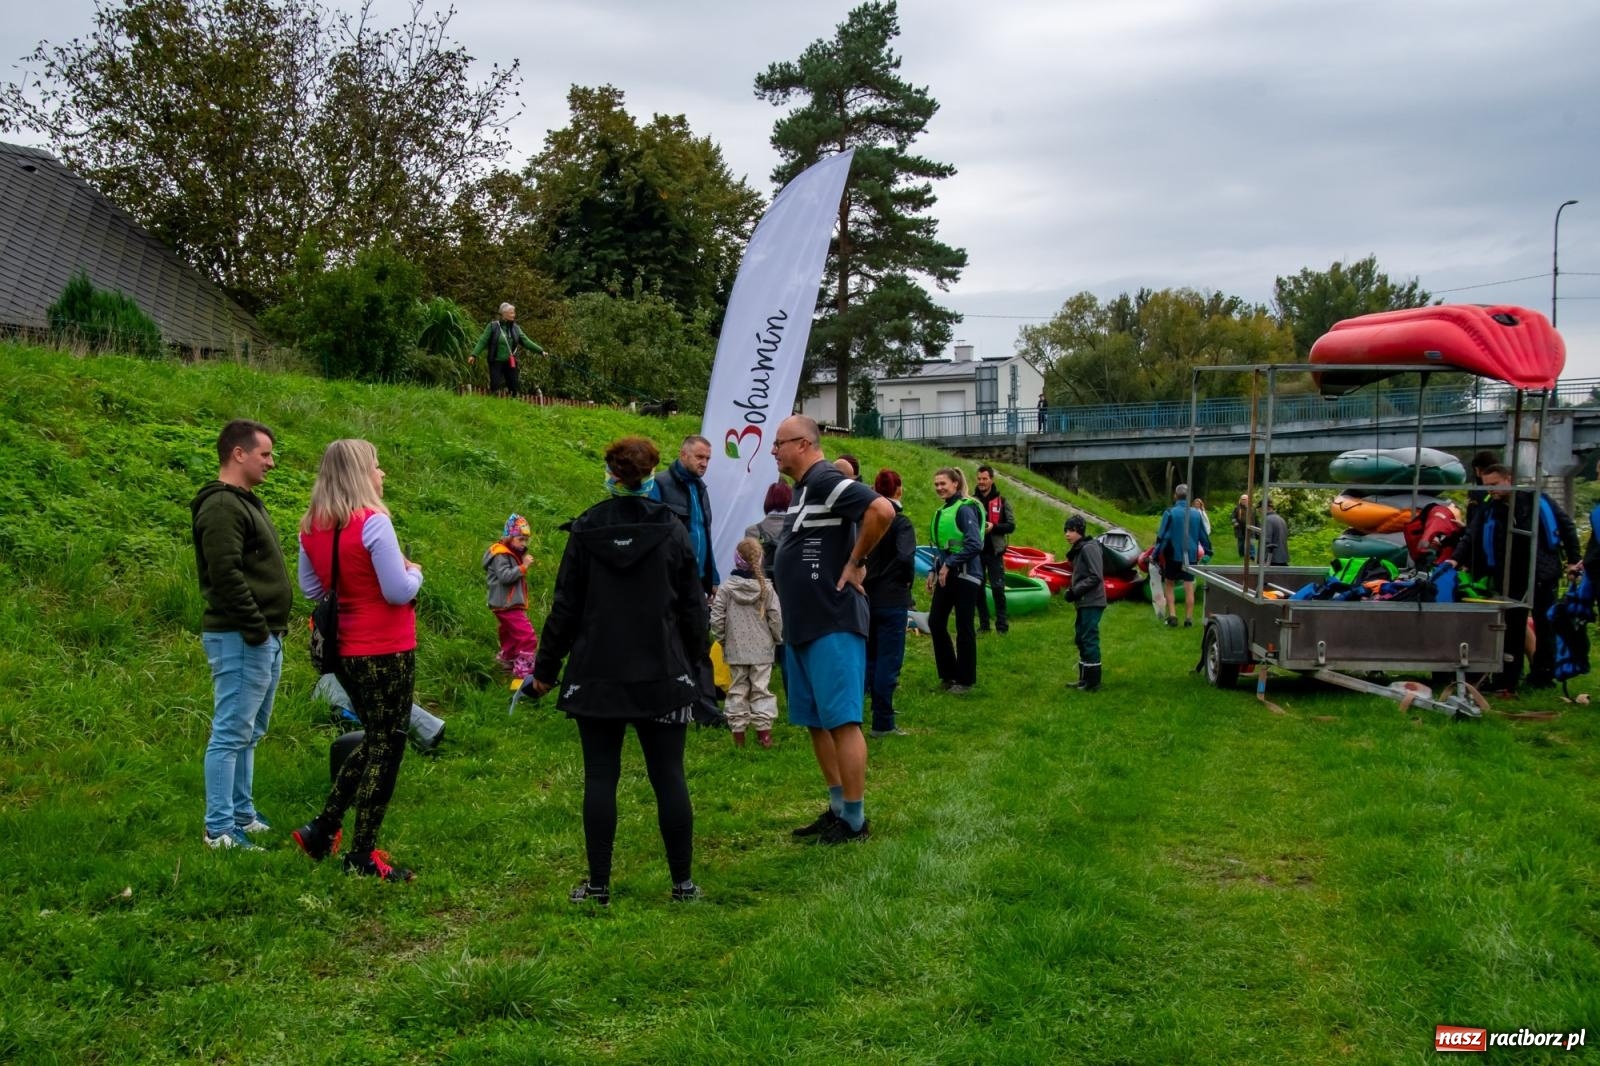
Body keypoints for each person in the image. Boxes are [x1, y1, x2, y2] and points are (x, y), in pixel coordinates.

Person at [531, 436, 709, 904]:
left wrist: (545, 669)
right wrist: (696, 665)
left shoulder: (587, 529)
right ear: (652, 475)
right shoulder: (673, 530)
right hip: (664, 676)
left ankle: (599, 887)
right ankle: (683, 885)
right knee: (669, 775)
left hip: (597, 675)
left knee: (600, 776)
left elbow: (565, 609)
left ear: (610, 474)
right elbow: (693, 607)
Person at [293, 439, 425, 882]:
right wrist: (416, 572)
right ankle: (362, 854)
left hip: (346, 650)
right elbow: (397, 590)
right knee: (388, 746)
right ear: (358, 473)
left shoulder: (311, 526)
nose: (382, 473)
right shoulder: (374, 523)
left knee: (375, 738)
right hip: (387, 647)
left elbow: (312, 590)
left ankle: (321, 830)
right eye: (376, 466)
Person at [770, 416, 893, 845]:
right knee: (816, 722)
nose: (773, 451)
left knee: (841, 720)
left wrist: (856, 561)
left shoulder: (824, 477)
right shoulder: (805, 488)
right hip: (804, 623)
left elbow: (881, 509)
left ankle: (855, 822)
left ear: (803, 444)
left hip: (832, 618)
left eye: (779, 443)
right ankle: (838, 808)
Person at [190, 419, 293, 851]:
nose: (271, 462)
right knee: (231, 731)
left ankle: (243, 815)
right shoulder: (220, 507)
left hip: (262, 636)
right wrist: (255, 629)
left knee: (249, 731)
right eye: (264, 454)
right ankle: (218, 829)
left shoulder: (245, 502)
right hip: (241, 636)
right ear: (238, 453)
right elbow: (225, 574)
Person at [1452, 464, 1581, 694]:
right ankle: (1508, 677)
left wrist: (1573, 560)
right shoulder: (1490, 508)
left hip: (1541, 571)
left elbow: (1567, 527)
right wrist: (1454, 560)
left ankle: (1543, 675)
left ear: (1508, 479)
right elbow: (1472, 534)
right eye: (1486, 486)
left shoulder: (1535, 501)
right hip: (1509, 575)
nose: (1490, 490)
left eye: (1494, 485)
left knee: (1545, 624)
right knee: (1511, 628)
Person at [653, 435, 722, 726]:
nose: (704, 463)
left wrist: (713, 576)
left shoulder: (701, 488)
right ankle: (669, 703)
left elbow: (705, 534)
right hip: (671, 579)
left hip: (699, 578)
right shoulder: (660, 484)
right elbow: (655, 534)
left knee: (699, 643)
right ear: (683, 455)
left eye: (707, 458)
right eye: (699, 457)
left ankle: (706, 709)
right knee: (668, 643)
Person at [711, 537, 784, 749]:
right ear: (759, 560)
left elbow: (716, 618)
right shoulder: (766, 589)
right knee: (761, 689)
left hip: (736, 650)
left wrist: (723, 639)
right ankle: (765, 737)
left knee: (737, 690)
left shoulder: (726, 589)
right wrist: (776, 638)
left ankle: (739, 738)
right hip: (762, 650)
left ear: (736, 560)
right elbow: (776, 617)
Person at [863, 468, 917, 737]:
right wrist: (906, 581)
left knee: (870, 657)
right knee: (888, 659)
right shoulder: (900, 522)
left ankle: (868, 709)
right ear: (899, 490)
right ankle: (883, 721)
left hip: (867, 595)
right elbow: (906, 558)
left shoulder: (867, 519)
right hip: (892, 597)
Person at [927, 467, 984, 692]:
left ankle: (965, 680)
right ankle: (949, 675)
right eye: (936, 484)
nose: (939, 488)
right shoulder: (943, 510)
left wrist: (949, 564)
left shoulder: (965, 509)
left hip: (966, 575)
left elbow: (974, 544)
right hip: (946, 574)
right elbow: (943, 548)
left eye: (943, 484)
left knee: (964, 626)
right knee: (936, 622)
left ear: (956, 484)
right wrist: (934, 569)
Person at [483, 513, 538, 679]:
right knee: (527, 636)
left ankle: (506, 661)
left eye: (525, 540)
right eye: (520, 539)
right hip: (507, 604)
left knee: (510, 634)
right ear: (509, 537)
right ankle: (523, 672)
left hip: (506, 602)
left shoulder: (509, 553)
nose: (523, 544)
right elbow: (505, 577)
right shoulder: (501, 554)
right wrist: (524, 566)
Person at [1153, 483, 1212, 628]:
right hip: (1191, 556)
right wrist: (1208, 553)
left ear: (1175, 496)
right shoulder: (1196, 514)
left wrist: (1155, 554)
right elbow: (1203, 536)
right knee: (1189, 585)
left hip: (1173, 554)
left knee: (1169, 584)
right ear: (1189, 497)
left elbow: (1163, 536)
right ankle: (1189, 619)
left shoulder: (1170, 513)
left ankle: (1172, 615)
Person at [1062, 514, 1106, 692]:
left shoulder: (1089, 548)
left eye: (1071, 530)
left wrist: (1075, 591)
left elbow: (1096, 576)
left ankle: (1093, 681)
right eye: (1065, 530)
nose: (1067, 534)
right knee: (1081, 637)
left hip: (1092, 601)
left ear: (1080, 531)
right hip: (1083, 601)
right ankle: (1083, 678)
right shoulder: (1080, 548)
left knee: (1089, 638)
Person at [972, 464, 1016, 634]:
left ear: (992, 480)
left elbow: (1011, 526)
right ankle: (984, 626)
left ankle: (1002, 625)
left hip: (995, 552)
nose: (981, 482)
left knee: (998, 588)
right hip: (976, 552)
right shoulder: (971, 501)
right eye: (979, 479)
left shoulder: (1002, 501)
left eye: (985, 479)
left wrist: (994, 527)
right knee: (978, 588)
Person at [469, 303, 546, 398]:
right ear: (504, 314)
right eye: (511, 313)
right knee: (495, 385)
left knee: (514, 386)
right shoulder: (493, 327)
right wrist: (474, 355)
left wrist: (541, 351)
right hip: (496, 361)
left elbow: (526, 341)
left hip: (510, 362)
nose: (514, 315)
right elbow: (482, 341)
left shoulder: (516, 328)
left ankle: (514, 402)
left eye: (514, 313)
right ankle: (493, 403)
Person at [1261, 498, 1289, 566]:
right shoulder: (1281, 519)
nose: (1259, 511)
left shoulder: (1267, 520)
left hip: (1272, 560)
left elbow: (1266, 541)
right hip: (1283, 558)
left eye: (1259, 508)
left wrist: (1265, 559)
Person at [1230, 494, 1251, 559]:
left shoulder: (1251, 508)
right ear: (1240, 500)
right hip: (1239, 528)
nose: (1244, 501)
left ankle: (1251, 556)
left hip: (1249, 528)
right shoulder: (1237, 508)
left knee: (1250, 542)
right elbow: (1232, 517)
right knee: (1241, 543)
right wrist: (1235, 523)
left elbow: (1255, 518)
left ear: (1248, 500)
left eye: (1245, 499)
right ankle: (1241, 555)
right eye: (1242, 499)